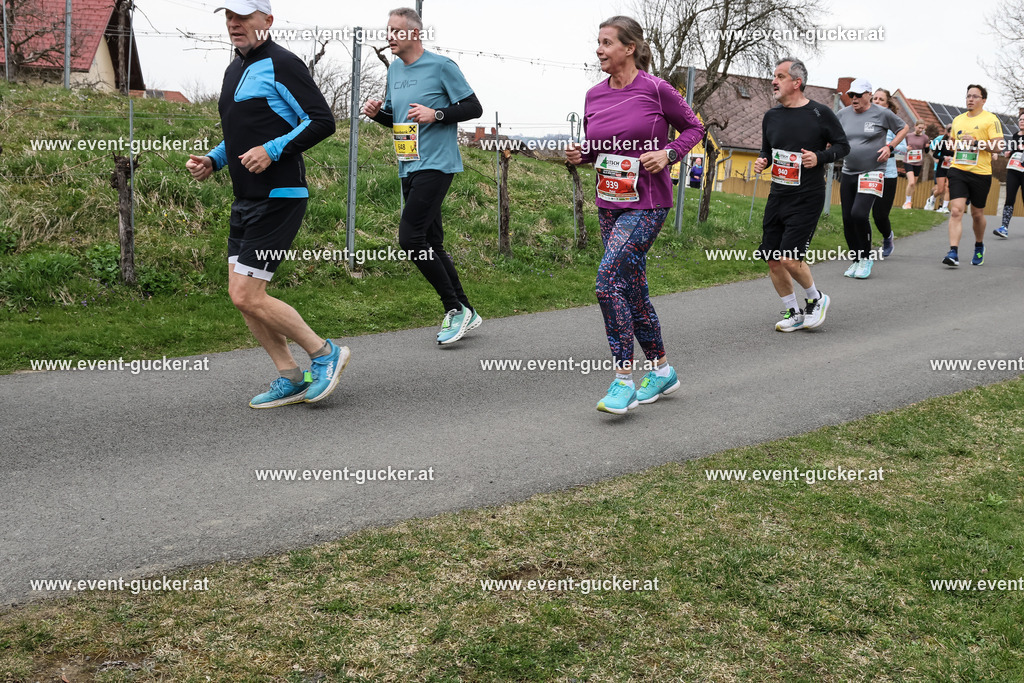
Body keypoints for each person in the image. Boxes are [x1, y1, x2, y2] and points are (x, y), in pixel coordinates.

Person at [186, 0, 348, 409]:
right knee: (240, 295)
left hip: (280, 196)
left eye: (243, 17)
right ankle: (290, 376)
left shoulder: (283, 63)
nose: (234, 24)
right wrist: (213, 160)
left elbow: (321, 120)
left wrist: (273, 151)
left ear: (267, 21)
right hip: (245, 198)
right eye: (229, 17)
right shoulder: (234, 68)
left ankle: (325, 353)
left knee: (247, 294)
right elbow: (243, 134)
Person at [566, 15, 703, 414]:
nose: (599, 49)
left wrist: (670, 153)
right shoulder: (594, 95)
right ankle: (662, 370)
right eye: (598, 42)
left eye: (607, 42)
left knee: (607, 282)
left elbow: (694, 128)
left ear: (629, 48)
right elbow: (597, 148)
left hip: (647, 202)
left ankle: (623, 380)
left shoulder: (657, 90)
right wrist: (582, 155)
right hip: (609, 201)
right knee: (633, 287)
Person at [363, 8, 484, 344]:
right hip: (408, 163)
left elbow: (474, 107)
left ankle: (454, 309)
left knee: (410, 238)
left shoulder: (441, 66)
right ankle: (467, 310)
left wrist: (437, 113)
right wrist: (378, 115)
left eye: (396, 31)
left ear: (414, 34)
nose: (389, 37)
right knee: (432, 243)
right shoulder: (395, 71)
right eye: (388, 30)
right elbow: (399, 119)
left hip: (437, 163)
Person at [753, 57, 849, 331]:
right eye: (774, 76)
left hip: (807, 195)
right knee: (773, 259)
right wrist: (763, 161)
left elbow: (843, 147)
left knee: (789, 257)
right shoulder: (771, 116)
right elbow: (767, 151)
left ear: (797, 82)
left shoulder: (820, 114)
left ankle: (816, 299)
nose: (774, 81)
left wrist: (819, 157)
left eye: (780, 76)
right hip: (778, 195)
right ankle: (793, 312)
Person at [836, 78, 908, 278]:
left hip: (873, 171)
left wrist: (889, 146)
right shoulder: (843, 114)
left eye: (859, 95)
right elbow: (832, 134)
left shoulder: (882, 113)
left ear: (868, 95)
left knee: (859, 214)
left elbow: (904, 128)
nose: (854, 98)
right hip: (849, 170)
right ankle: (856, 260)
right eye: (851, 95)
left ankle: (866, 258)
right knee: (848, 219)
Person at [943, 84, 1004, 267]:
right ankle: (953, 252)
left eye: (975, 96)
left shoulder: (990, 120)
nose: (970, 99)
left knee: (977, 214)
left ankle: (979, 246)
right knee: (956, 210)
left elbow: (999, 147)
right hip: (958, 170)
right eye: (968, 96)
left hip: (980, 172)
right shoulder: (958, 120)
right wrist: (955, 147)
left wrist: (977, 143)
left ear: (983, 100)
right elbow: (952, 143)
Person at [871, 89, 906, 258]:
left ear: (887, 104)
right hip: (866, 173)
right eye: (874, 98)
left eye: (880, 99)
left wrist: (889, 146)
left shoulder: (894, 122)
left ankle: (887, 237)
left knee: (879, 214)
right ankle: (863, 248)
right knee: (859, 213)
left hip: (887, 174)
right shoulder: (865, 119)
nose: (876, 101)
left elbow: (905, 149)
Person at [995, 112, 1024, 238]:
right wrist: (1009, 153)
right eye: (1020, 119)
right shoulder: (1015, 135)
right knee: (1009, 198)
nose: (1021, 121)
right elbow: (1016, 151)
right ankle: (1004, 227)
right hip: (1013, 170)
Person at [902, 120, 931, 208]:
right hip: (908, 161)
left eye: (922, 128)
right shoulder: (908, 136)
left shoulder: (925, 138)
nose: (921, 130)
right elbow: (903, 147)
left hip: (918, 162)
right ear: (915, 126)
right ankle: (907, 202)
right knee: (911, 182)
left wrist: (927, 147)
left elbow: (926, 151)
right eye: (919, 128)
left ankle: (909, 202)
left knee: (914, 183)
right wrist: (906, 148)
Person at [927, 124, 953, 213]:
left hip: (951, 168)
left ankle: (944, 207)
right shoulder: (942, 142)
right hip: (941, 167)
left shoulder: (958, 144)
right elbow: (935, 154)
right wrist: (943, 158)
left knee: (948, 187)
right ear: (948, 133)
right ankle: (932, 199)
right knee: (940, 189)